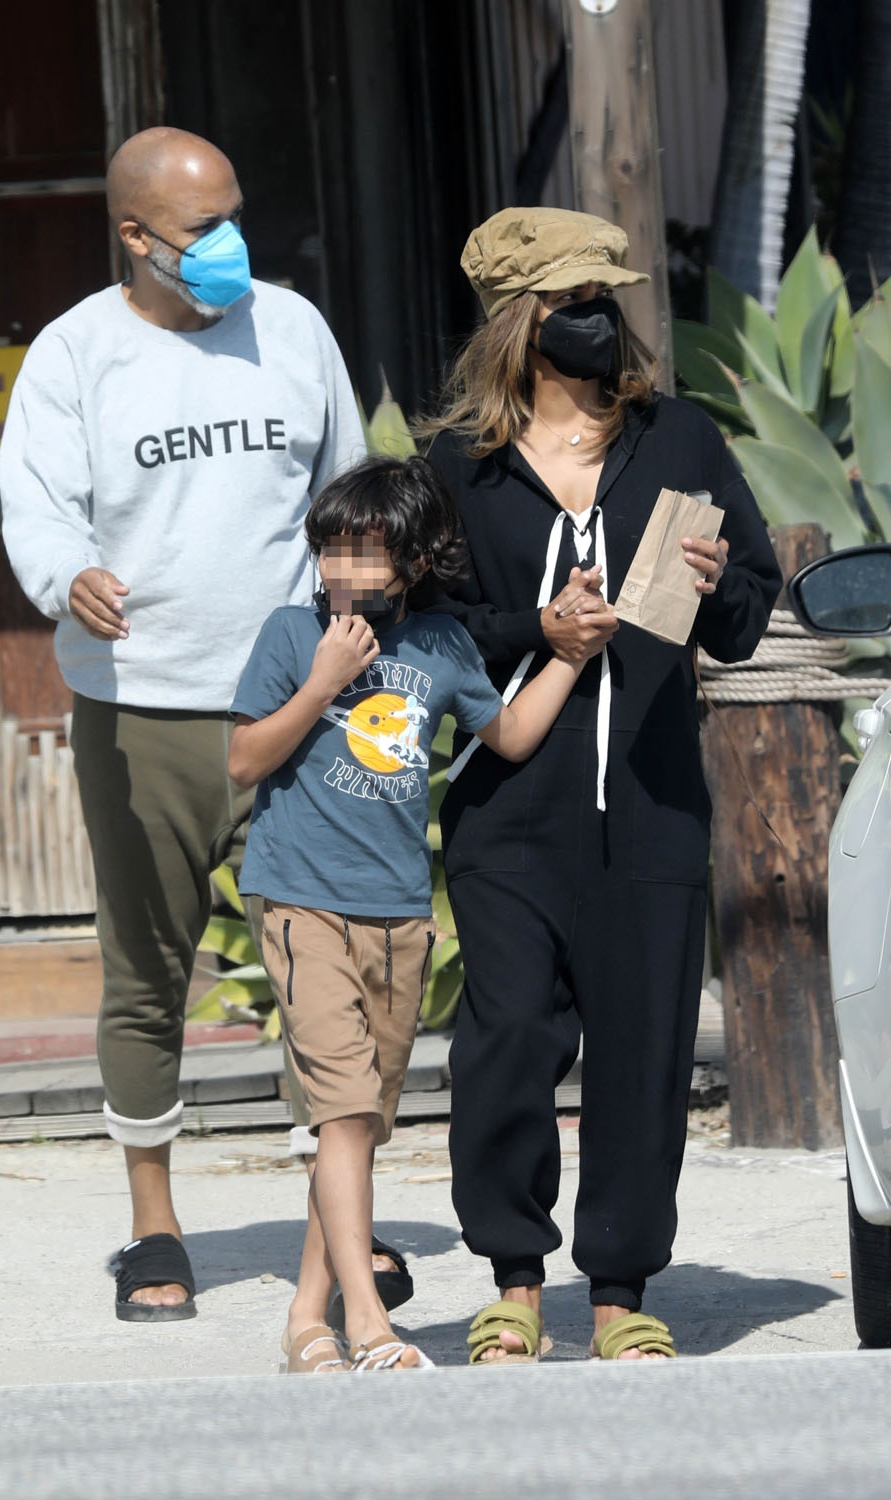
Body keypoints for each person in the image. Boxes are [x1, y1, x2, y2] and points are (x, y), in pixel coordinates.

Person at [0, 126, 365, 1321]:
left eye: (235, 216)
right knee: (147, 969)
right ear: (135, 236)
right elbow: (38, 509)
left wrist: (362, 626)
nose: (228, 247)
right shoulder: (74, 356)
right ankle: (153, 1221)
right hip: (142, 704)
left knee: (326, 966)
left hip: (295, 699)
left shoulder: (293, 326)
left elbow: (346, 495)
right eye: (201, 230)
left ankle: (340, 1228)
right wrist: (69, 578)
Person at [421, 206, 783, 1363]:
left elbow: (743, 616)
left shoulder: (678, 439)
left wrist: (719, 579)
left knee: (643, 1048)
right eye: (572, 303)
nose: (597, 321)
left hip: (653, 808)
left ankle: (621, 1288)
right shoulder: (456, 466)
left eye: (604, 300)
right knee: (510, 1036)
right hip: (507, 810)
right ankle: (514, 1279)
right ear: (520, 322)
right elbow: (422, 632)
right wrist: (534, 626)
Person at [227, 454, 615, 1372]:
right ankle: (368, 1323)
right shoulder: (290, 636)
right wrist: (322, 683)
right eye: (330, 550)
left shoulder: (439, 644)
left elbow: (510, 734)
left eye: (365, 554)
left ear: (410, 562)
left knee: (354, 1126)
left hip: (399, 916)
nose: (343, 572)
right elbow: (244, 761)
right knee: (344, 1111)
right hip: (298, 899)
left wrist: (564, 655)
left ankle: (303, 1323)